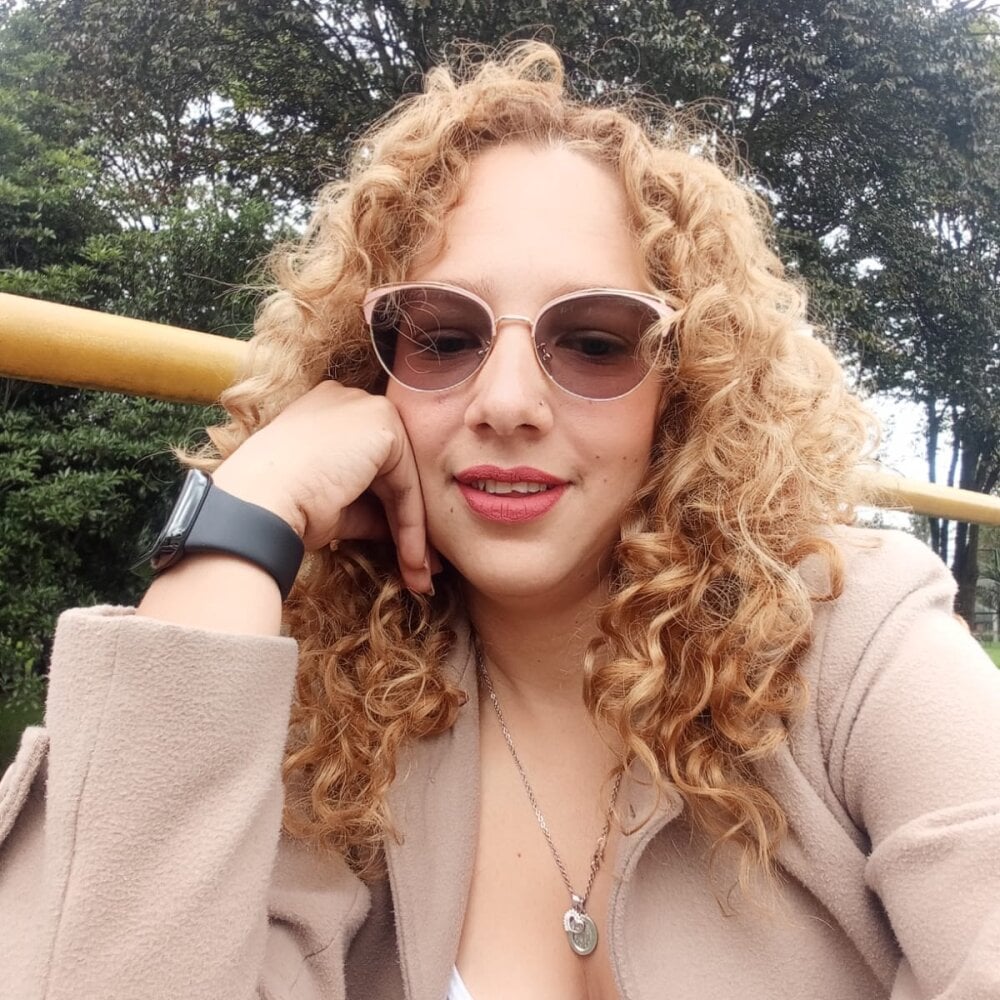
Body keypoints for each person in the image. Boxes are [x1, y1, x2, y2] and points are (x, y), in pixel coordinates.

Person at [1, 42, 999, 1000]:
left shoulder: (851, 638)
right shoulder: (321, 712)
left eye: (597, 342)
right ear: (365, 372)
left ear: (688, 387)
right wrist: (237, 525)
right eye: (442, 338)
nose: (508, 401)